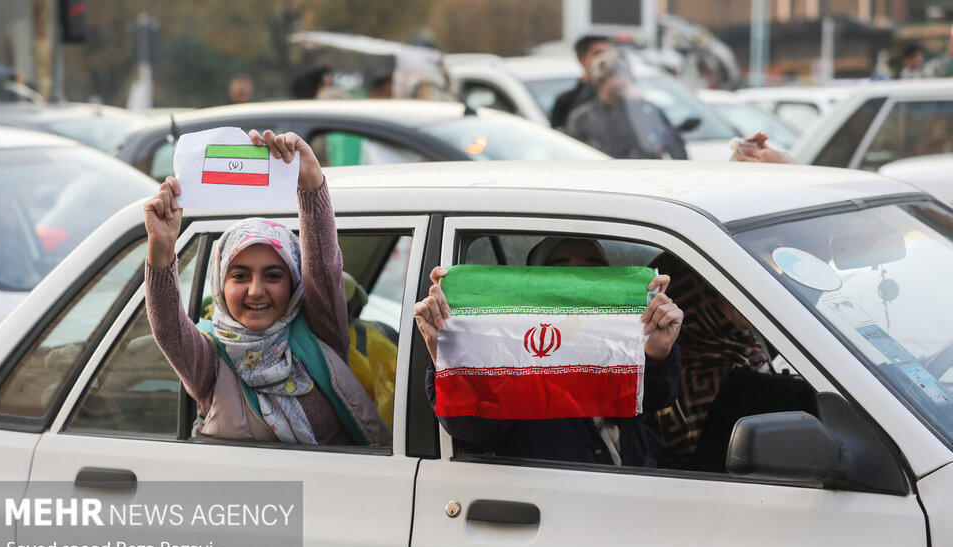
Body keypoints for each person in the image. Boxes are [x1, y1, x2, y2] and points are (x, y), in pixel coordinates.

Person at [143, 129, 390, 447]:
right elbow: (167, 329)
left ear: (294, 285)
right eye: (240, 276)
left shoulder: (318, 337)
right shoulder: (210, 362)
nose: (256, 290)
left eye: (273, 276)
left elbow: (324, 266)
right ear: (220, 285)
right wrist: (160, 246)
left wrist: (311, 184)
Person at [414, 236, 683, 468]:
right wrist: (448, 353)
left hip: (635, 489)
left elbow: (654, 398)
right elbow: (470, 426)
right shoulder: (508, 353)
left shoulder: (620, 339)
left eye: (594, 269)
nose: (578, 279)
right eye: (560, 270)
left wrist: (657, 352)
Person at [649, 254, 815, 472]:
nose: (747, 294)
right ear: (693, 297)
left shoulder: (743, 346)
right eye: (727, 287)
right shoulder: (692, 375)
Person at [566, 51, 688, 160]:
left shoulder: (645, 110)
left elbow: (674, 145)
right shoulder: (583, 118)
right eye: (617, 75)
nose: (623, 81)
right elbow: (573, 156)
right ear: (602, 80)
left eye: (625, 75)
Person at [550, 35, 612, 130]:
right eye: (598, 53)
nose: (604, 59)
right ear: (581, 59)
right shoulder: (566, 102)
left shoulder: (617, 98)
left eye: (607, 54)